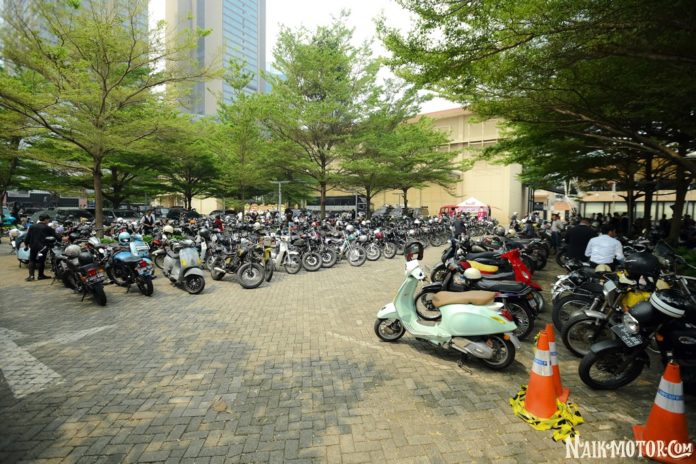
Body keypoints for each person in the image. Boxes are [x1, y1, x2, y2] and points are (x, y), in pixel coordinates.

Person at [23, 214, 57, 281]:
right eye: (48, 219)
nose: (48, 221)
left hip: (33, 246)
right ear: (46, 219)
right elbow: (56, 236)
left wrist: (26, 244)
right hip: (43, 247)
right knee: (41, 261)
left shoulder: (32, 226)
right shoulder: (48, 228)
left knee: (32, 260)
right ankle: (40, 275)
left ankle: (31, 276)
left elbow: (27, 237)